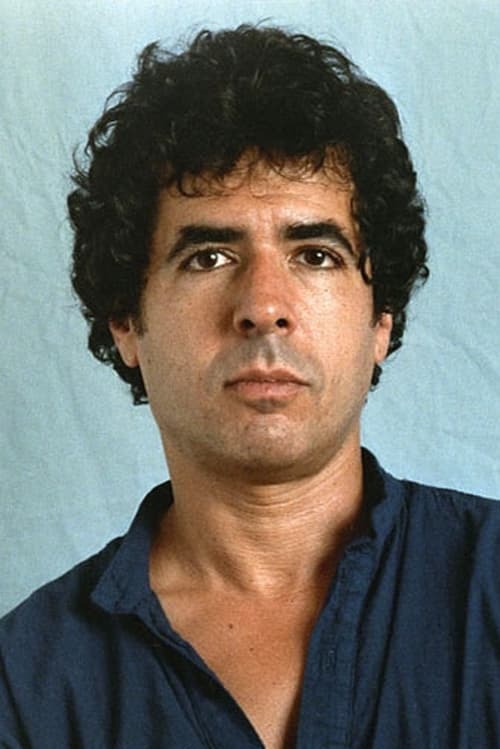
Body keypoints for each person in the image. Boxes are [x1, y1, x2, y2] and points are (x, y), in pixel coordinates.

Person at [1, 24, 499, 749]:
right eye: (207, 256)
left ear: (380, 320)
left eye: (316, 255)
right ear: (126, 322)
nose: (264, 305)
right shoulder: (25, 687)